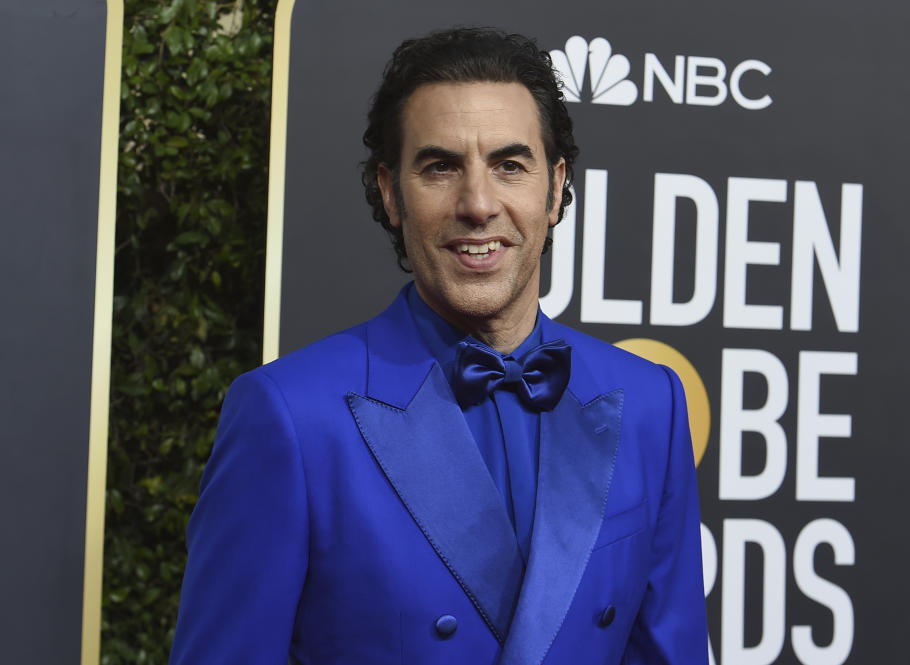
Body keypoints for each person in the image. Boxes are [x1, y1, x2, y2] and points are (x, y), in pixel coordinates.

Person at [169, 27, 707, 665]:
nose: (478, 204)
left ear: (557, 188)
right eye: (440, 167)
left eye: (510, 165)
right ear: (392, 192)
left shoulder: (650, 404)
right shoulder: (290, 417)